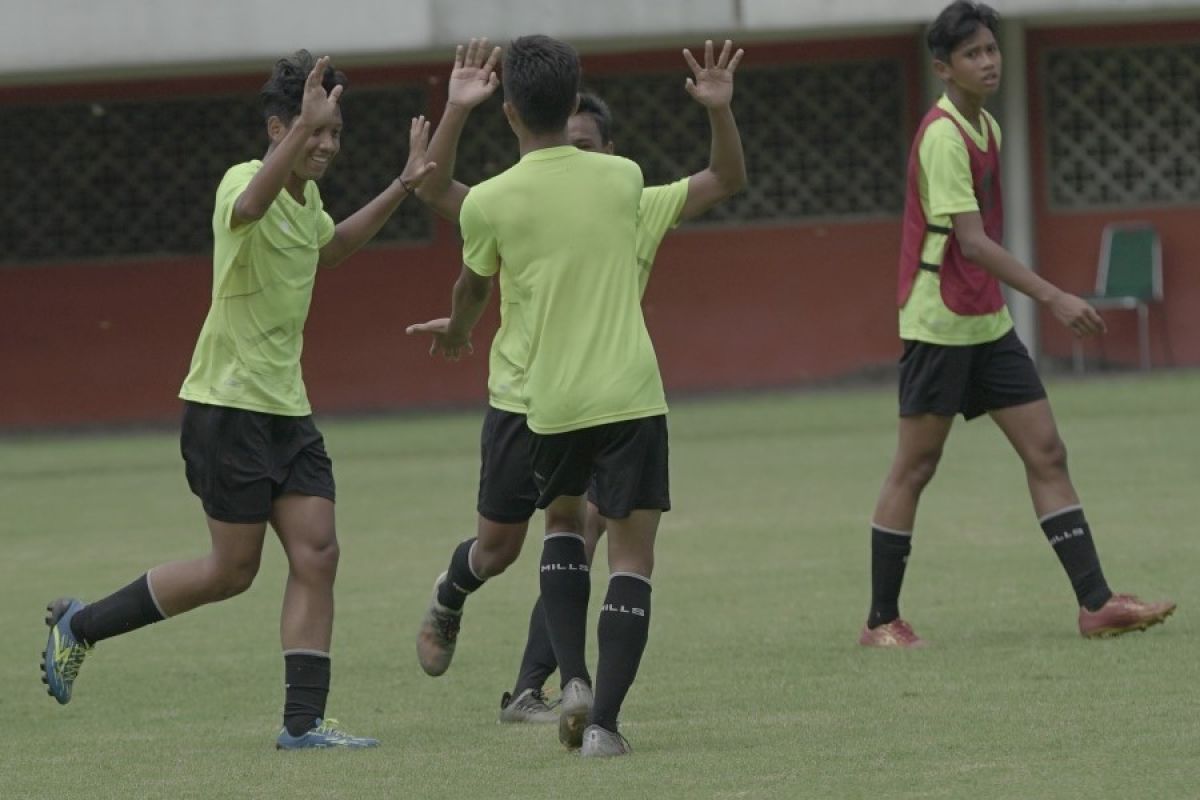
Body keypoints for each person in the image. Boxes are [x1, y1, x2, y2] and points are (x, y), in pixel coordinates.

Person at [40, 50, 436, 749]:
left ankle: (304, 725)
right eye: (314, 128)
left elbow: (331, 249)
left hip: (287, 410)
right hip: (226, 407)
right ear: (279, 126)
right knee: (232, 572)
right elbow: (252, 206)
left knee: (318, 553)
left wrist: (403, 183)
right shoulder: (242, 182)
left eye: (335, 132)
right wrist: (294, 140)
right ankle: (82, 624)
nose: (326, 143)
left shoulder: (308, 200)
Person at [408, 35, 743, 758]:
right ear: (573, 102)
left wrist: (460, 330)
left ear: (510, 111)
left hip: (550, 402)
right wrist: (718, 110)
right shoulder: (624, 181)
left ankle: (567, 682)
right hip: (624, 393)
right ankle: (602, 724)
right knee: (618, 558)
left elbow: (461, 262)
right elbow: (726, 176)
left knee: (563, 525)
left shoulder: (495, 200)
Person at [861, 0, 1175, 649]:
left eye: (992, 50)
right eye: (972, 53)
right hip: (939, 323)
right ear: (943, 67)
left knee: (1046, 451)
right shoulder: (944, 136)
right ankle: (881, 622)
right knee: (914, 468)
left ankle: (1096, 604)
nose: (988, 61)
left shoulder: (988, 130)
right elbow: (971, 243)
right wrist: (1055, 296)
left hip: (985, 321)